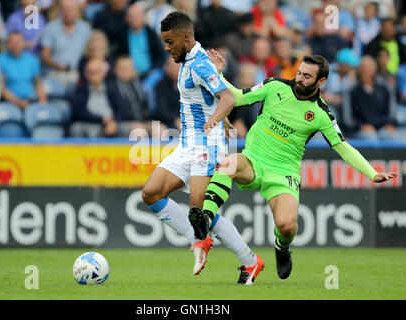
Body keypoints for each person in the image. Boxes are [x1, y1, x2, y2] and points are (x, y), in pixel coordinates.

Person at [188, 50, 396, 281]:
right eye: (299, 73)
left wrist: (372, 173)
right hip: (253, 160)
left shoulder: (321, 113)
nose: (300, 78)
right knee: (228, 163)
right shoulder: (274, 86)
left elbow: (342, 147)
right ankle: (205, 219)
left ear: (321, 81)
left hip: (283, 173)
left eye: (307, 76)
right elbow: (237, 97)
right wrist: (219, 74)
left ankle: (282, 246)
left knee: (287, 226)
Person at [142, 12, 262, 285]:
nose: (167, 47)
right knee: (151, 193)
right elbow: (210, 97)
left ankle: (249, 261)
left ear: (186, 36)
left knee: (201, 211)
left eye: (170, 41)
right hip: (188, 144)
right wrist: (224, 119)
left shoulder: (199, 64)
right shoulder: (188, 60)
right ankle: (200, 240)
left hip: (207, 145)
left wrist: (217, 120)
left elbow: (228, 96)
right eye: (164, 42)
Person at [69, 58, 123, 138]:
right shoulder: (80, 90)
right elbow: (80, 113)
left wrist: (114, 122)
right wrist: (102, 119)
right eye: (90, 72)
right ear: (85, 74)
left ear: (103, 73)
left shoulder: (112, 88)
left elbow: (120, 109)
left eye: (96, 72)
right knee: (76, 128)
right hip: (89, 123)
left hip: (110, 124)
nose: (93, 75)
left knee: (124, 129)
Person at [0, 32, 47, 110]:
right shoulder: (0, 60)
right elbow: (1, 88)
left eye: (18, 41)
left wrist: (43, 102)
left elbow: (38, 84)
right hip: (9, 104)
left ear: (23, 43)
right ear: (7, 44)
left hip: (31, 101)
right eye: (12, 42)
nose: (15, 45)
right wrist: (18, 103)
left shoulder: (32, 59)